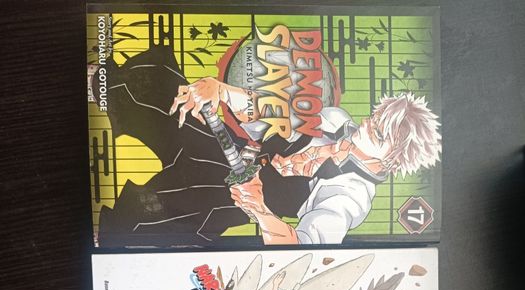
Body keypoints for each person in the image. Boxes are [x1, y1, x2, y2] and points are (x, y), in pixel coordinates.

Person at [93, 45, 441, 247]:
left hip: (221, 198)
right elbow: (270, 115)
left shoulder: (349, 198)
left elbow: (299, 249)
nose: (366, 126)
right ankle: (101, 84)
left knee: (144, 217)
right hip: (224, 147)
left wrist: (258, 208)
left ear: (391, 160)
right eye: (374, 118)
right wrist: (222, 91)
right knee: (162, 90)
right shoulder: (337, 120)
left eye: (378, 134)